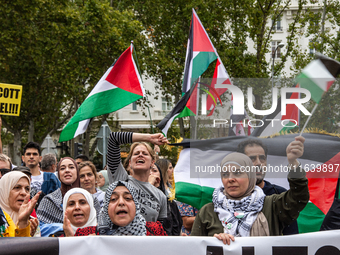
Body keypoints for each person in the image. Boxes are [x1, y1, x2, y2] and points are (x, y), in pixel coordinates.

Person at [191, 149, 309, 244]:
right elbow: (194, 249)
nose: (230, 179)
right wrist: (215, 243)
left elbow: (299, 197)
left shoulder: (272, 205)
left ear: (250, 176)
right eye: (225, 174)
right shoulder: (208, 211)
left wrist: (294, 164)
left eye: (237, 173)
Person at [236, 138, 299, 235]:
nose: (258, 163)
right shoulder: (226, 197)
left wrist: (294, 163)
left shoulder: (280, 194)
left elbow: (292, 239)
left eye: (262, 158)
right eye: (252, 159)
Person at [107, 132, 168, 222]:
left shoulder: (160, 195)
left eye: (145, 153)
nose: (140, 155)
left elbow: (161, 229)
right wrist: (149, 138)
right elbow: (113, 138)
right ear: (130, 163)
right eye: (136, 153)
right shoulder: (121, 180)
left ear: (152, 162)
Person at [74, 180, 167, 236]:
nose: (121, 203)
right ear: (106, 208)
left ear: (136, 206)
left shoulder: (155, 230)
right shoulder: (87, 235)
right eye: (113, 199)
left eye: (127, 198)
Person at [36, 157, 100, 236]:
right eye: (62, 168)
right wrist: (61, 228)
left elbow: (100, 224)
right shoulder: (48, 200)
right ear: (58, 173)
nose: (67, 170)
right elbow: (38, 229)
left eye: (71, 167)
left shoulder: (91, 199)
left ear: (77, 172)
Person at [0, 171, 41, 237]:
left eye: (27, 189)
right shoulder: (1, 220)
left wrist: (29, 236)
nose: (24, 193)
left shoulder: (32, 222)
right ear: (4, 191)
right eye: (17, 187)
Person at [149, 164, 182, 236]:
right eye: (147, 171)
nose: (150, 174)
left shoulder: (170, 203)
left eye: (154, 171)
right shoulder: (132, 199)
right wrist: (149, 185)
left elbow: (177, 227)